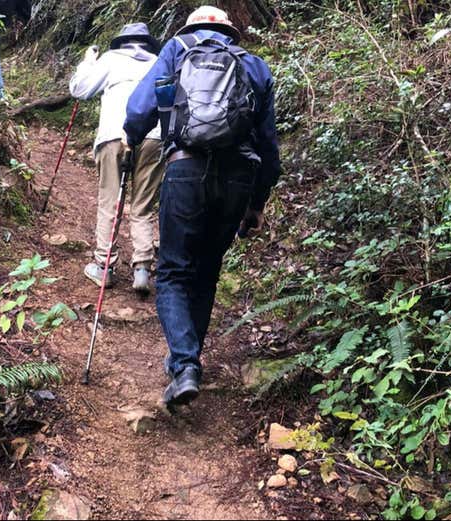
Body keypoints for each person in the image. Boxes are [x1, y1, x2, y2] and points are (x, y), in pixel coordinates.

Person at [123, 6, 281, 407]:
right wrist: (256, 204)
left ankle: (185, 364)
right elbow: (269, 147)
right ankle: (188, 361)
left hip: (186, 169)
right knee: (207, 270)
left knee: (173, 271)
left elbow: (140, 109)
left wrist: (132, 138)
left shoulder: (176, 50)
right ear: (230, 32)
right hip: (238, 178)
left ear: (191, 26)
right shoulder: (254, 65)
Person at [69, 23, 165, 294]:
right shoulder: (159, 64)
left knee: (110, 201)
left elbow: (79, 89)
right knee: (143, 206)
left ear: (122, 41)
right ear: (148, 43)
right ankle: (142, 268)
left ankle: (104, 266)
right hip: (154, 137)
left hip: (113, 135)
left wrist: (88, 62)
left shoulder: (111, 59)